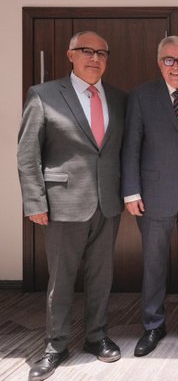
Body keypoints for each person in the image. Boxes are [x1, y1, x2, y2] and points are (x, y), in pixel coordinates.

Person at [17, 31, 126, 380]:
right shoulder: (44, 94)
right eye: (86, 51)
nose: (95, 58)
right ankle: (56, 345)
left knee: (101, 276)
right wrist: (35, 200)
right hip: (62, 203)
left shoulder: (119, 98)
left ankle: (97, 336)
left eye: (102, 53)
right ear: (70, 55)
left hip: (107, 203)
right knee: (61, 279)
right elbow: (28, 153)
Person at [121, 36, 178, 356]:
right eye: (169, 60)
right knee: (154, 263)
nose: (176, 66)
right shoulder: (141, 96)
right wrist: (131, 191)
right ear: (159, 63)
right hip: (154, 193)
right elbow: (131, 145)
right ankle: (153, 325)